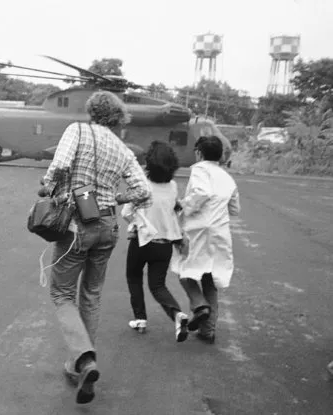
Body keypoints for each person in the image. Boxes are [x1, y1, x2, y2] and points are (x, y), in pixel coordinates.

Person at [39, 91, 151, 404]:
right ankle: (81, 365)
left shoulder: (76, 130)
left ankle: (84, 359)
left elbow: (60, 166)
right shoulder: (123, 148)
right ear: (117, 118)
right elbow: (143, 191)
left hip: (77, 225)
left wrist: (49, 187)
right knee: (91, 293)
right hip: (108, 227)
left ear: (91, 111)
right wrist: (115, 198)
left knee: (62, 294)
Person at [121, 141, 189, 342]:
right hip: (164, 245)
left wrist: (137, 223)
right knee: (158, 285)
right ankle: (177, 314)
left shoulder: (142, 185)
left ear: (149, 163)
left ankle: (140, 318)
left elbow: (126, 213)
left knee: (133, 277)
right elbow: (175, 210)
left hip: (142, 242)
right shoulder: (173, 187)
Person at [177, 135, 240, 344]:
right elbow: (235, 209)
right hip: (220, 232)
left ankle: (199, 305)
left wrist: (184, 205)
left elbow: (201, 193)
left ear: (199, 153)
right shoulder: (227, 177)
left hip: (199, 229)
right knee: (209, 279)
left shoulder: (200, 169)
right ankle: (208, 331)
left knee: (185, 271)